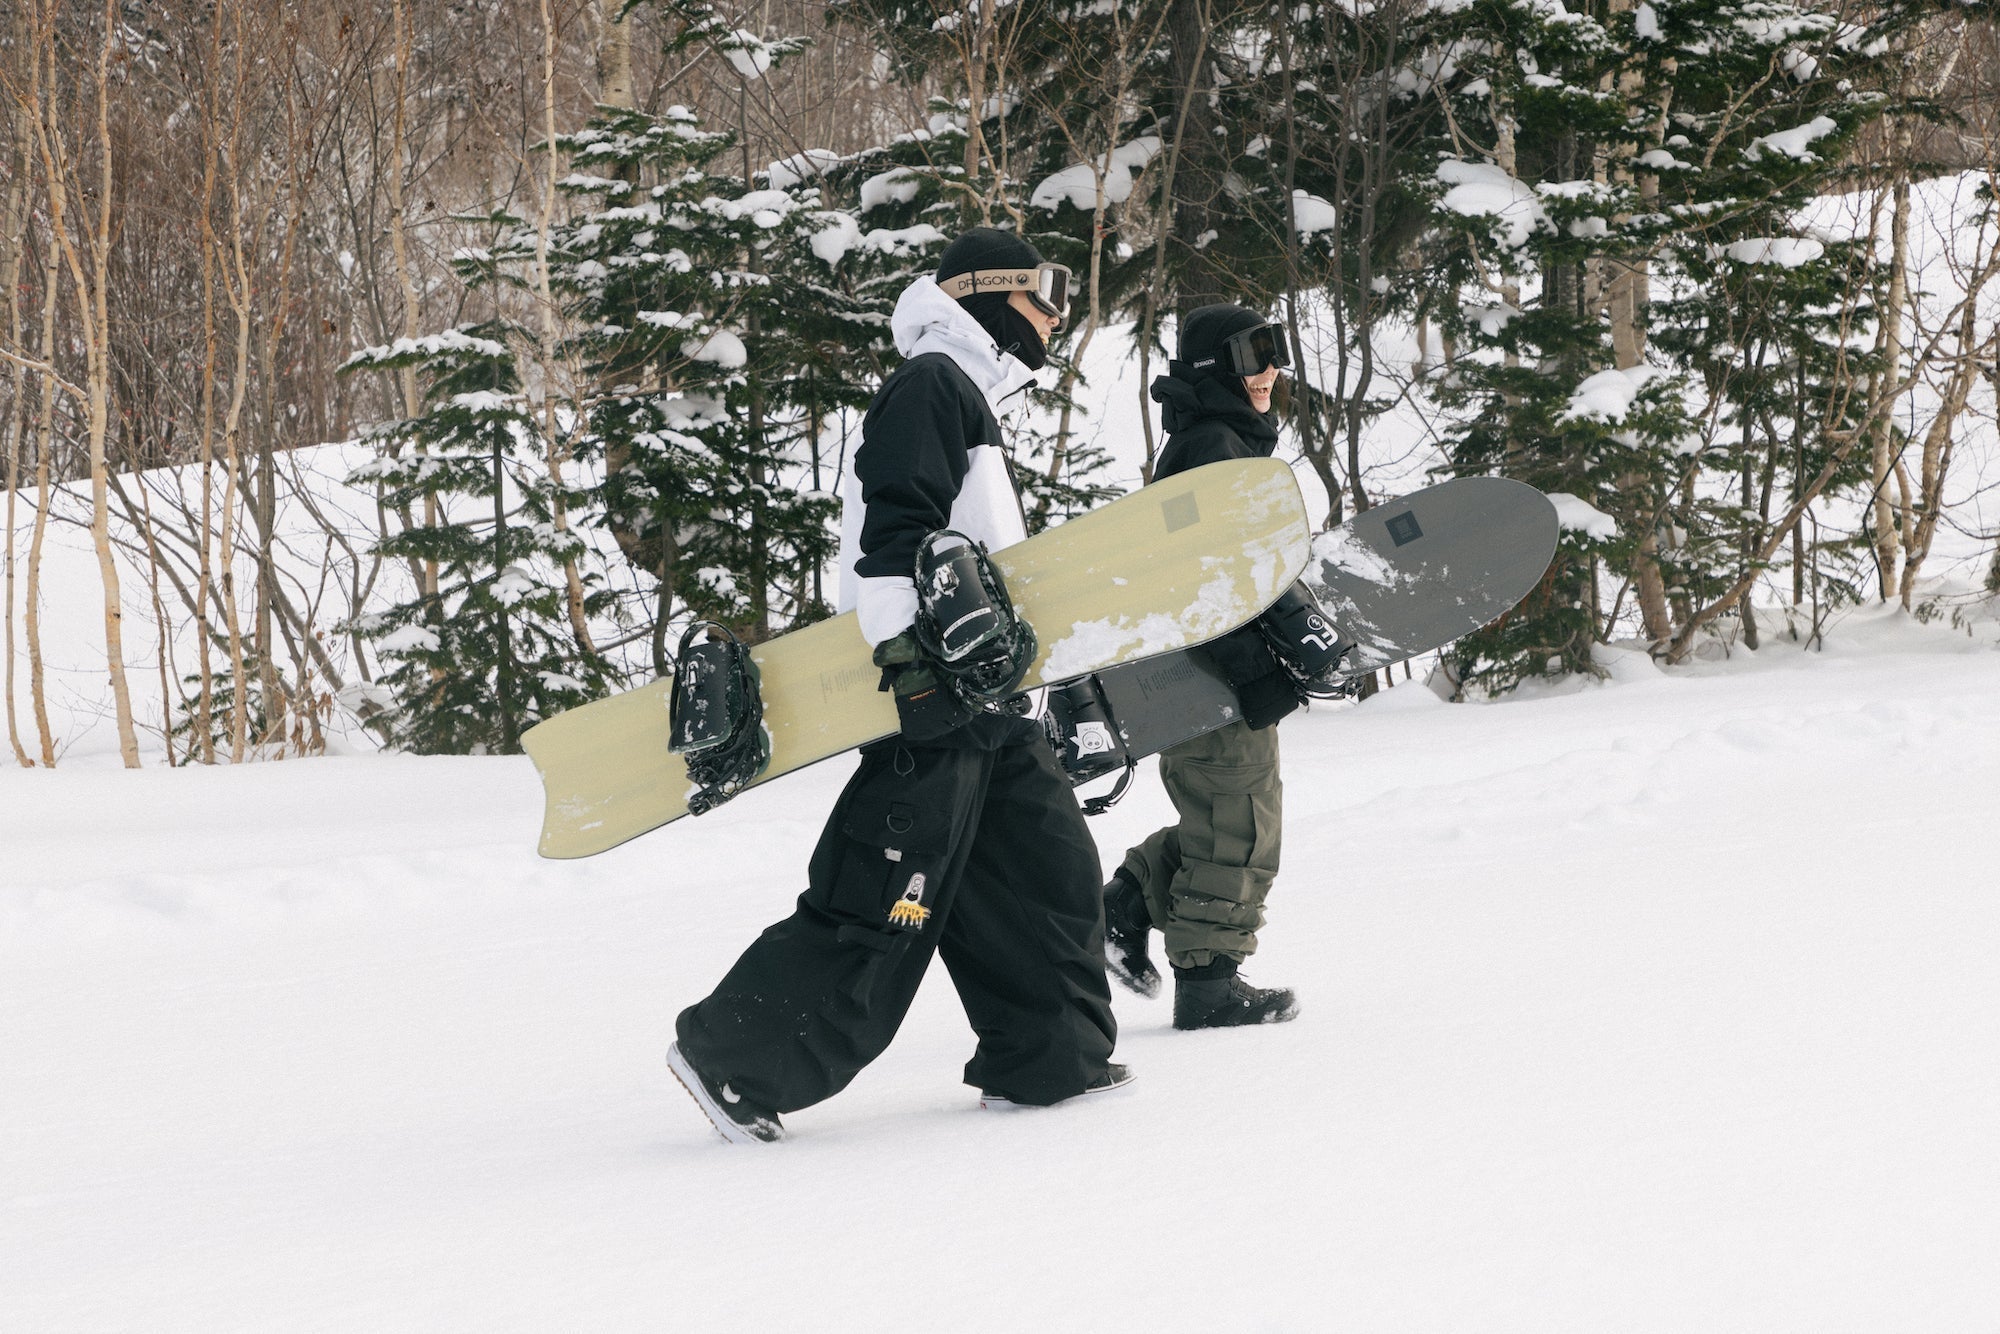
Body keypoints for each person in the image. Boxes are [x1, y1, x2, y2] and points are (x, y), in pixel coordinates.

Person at [667, 227, 1130, 1143]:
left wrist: (1052, 689)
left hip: (990, 698)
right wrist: (914, 670)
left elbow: (990, 565)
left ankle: (1050, 1060)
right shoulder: (931, 384)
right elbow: (893, 535)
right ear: (992, 296)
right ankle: (733, 1061)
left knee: (1049, 877)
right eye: (1043, 295)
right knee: (887, 894)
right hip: (935, 695)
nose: (1054, 316)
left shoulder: (971, 397)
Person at [1101, 304, 1310, 1031]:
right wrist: (1256, 668)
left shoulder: (1212, 440)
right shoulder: (1214, 446)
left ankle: (1130, 897)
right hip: (1214, 670)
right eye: (1252, 355)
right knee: (1239, 822)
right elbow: (1207, 578)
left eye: (1274, 351)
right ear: (1214, 366)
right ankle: (1209, 986)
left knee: (1228, 814)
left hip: (1205, 669)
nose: (1268, 370)